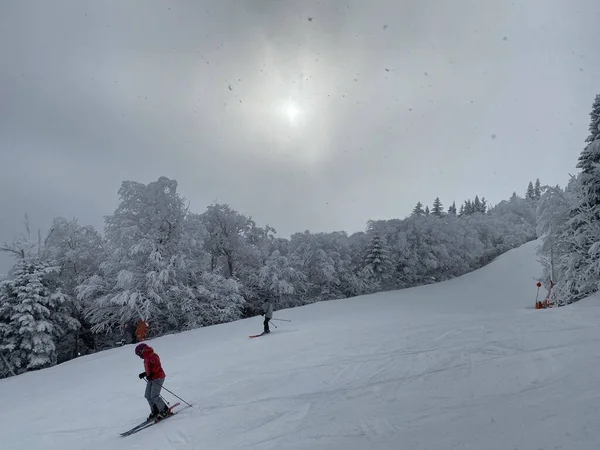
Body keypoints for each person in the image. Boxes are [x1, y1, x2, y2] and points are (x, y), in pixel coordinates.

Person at [135, 343, 169, 420]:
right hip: (151, 378)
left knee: (154, 395)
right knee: (147, 395)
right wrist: (145, 373)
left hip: (158, 377)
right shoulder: (146, 358)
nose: (139, 356)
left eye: (139, 354)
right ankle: (156, 410)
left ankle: (165, 410)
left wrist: (151, 374)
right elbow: (150, 368)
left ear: (142, 350)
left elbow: (157, 366)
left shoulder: (152, 355)